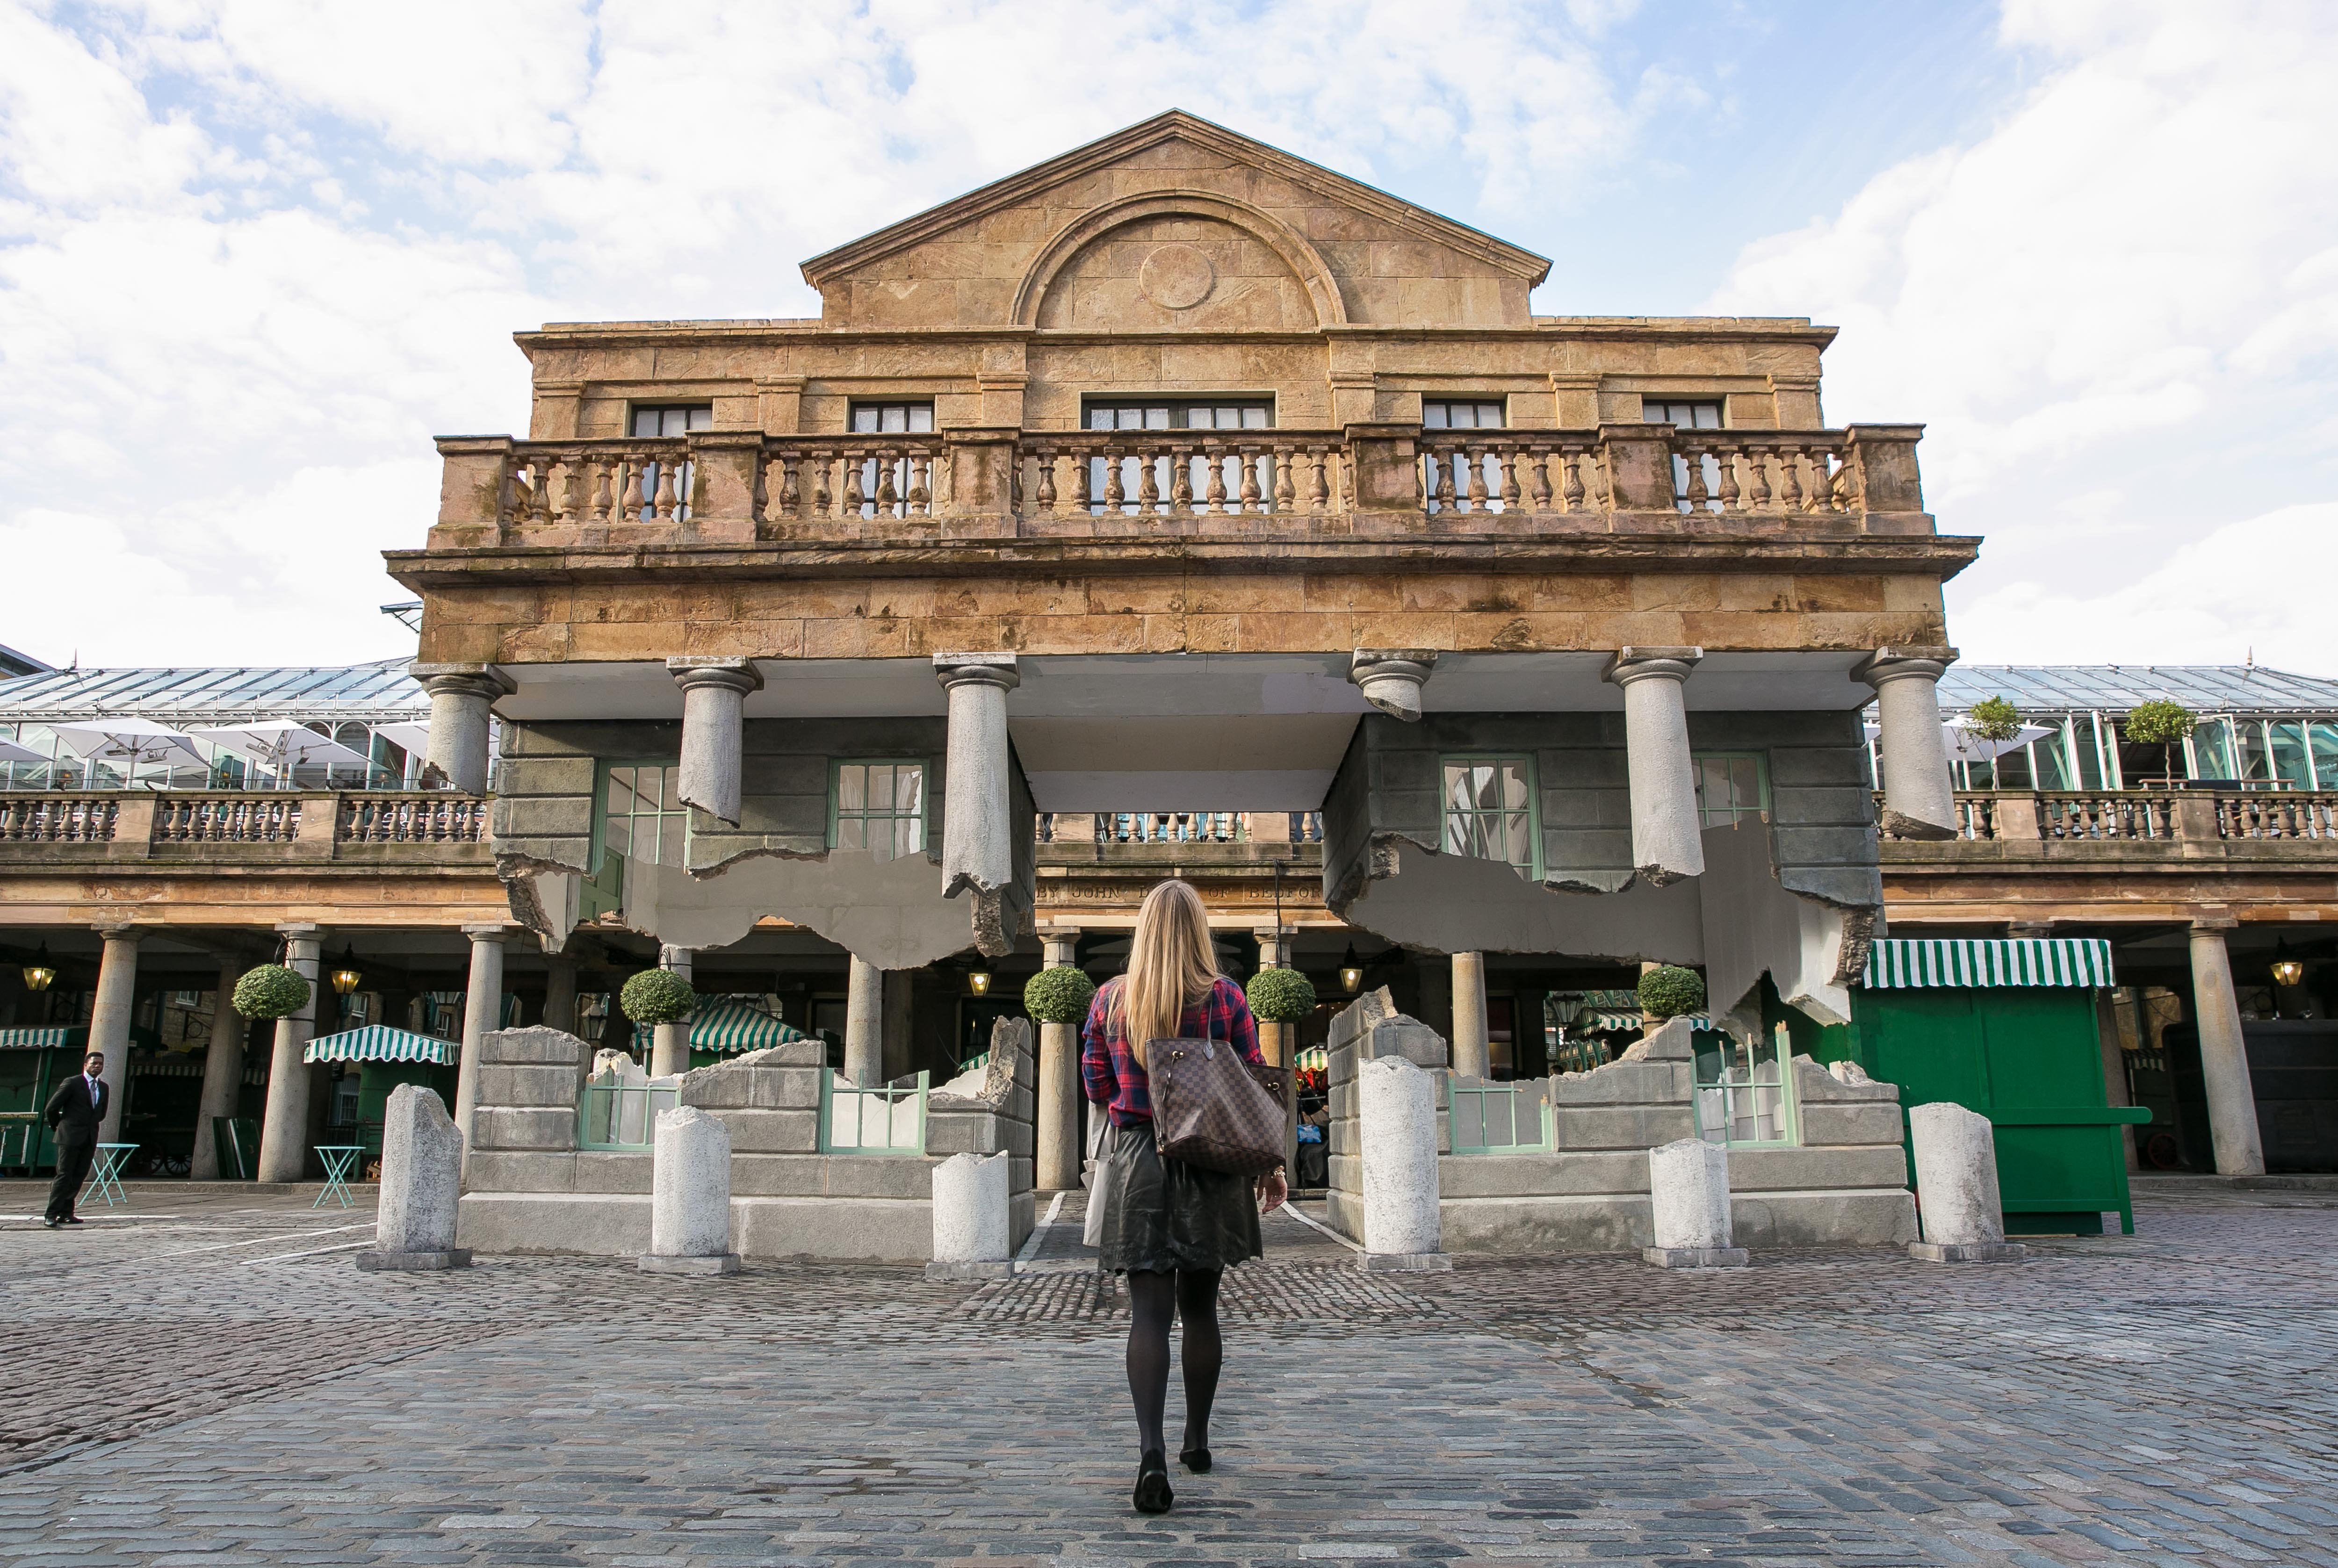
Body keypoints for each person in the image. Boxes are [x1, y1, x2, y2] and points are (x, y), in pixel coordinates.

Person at [1082, 878, 1287, 1515]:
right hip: (1211, 1163)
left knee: (1147, 1314)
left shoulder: (1112, 1000)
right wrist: (1271, 1165)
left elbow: (1094, 1083)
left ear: (1143, 930)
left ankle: (1151, 1452)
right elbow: (1253, 1085)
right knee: (1200, 1309)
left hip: (1141, 1159)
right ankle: (1196, 1438)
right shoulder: (1227, 998)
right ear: (1199, 931)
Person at [43, 1050, 110, 1229]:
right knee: (64, 1175)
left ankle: (67, 1213)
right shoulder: (73, 1083)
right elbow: (51, 1108)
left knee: (79, 1175)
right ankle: (52, 1214)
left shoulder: (103, 1087)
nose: (97, 1066)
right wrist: (59, 1127)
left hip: (89, 1136)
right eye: (94, 1063)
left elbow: (101, 1113)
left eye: (100, 1064)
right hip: (70, 1136)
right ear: (86, 1065)